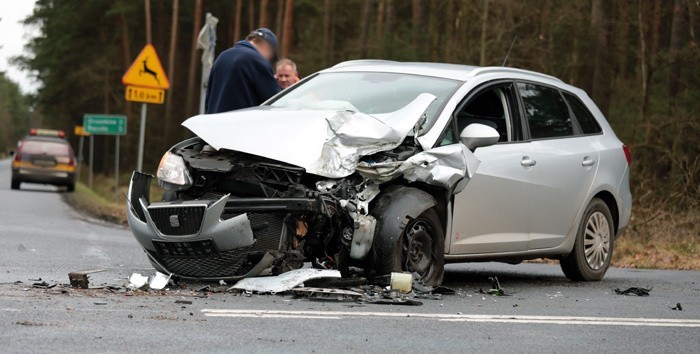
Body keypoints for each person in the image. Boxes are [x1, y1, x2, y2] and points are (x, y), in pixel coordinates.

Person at [205, 28, 281, 114]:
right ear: (267, 46)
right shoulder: (257, 60)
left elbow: (208, 101)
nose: (269, 60)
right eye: (272, 57)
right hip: (241, 125)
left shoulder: (222, 57)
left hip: (214, 123)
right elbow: (275, 101)